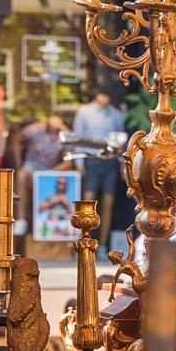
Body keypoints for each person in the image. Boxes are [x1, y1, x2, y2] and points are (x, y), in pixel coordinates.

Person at [73, 89, 127, 247]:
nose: (105, 97)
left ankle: (102, 244)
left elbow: (120, 140)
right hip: (92, 159)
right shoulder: (84, 111)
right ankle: (84, 241)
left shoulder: (115, 114)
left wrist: (122, 162)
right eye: (103, 94)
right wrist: (79, 163)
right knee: (88, 202)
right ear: (97, 94)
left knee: (108, 203)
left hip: (110, 160)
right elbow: (79, 138)